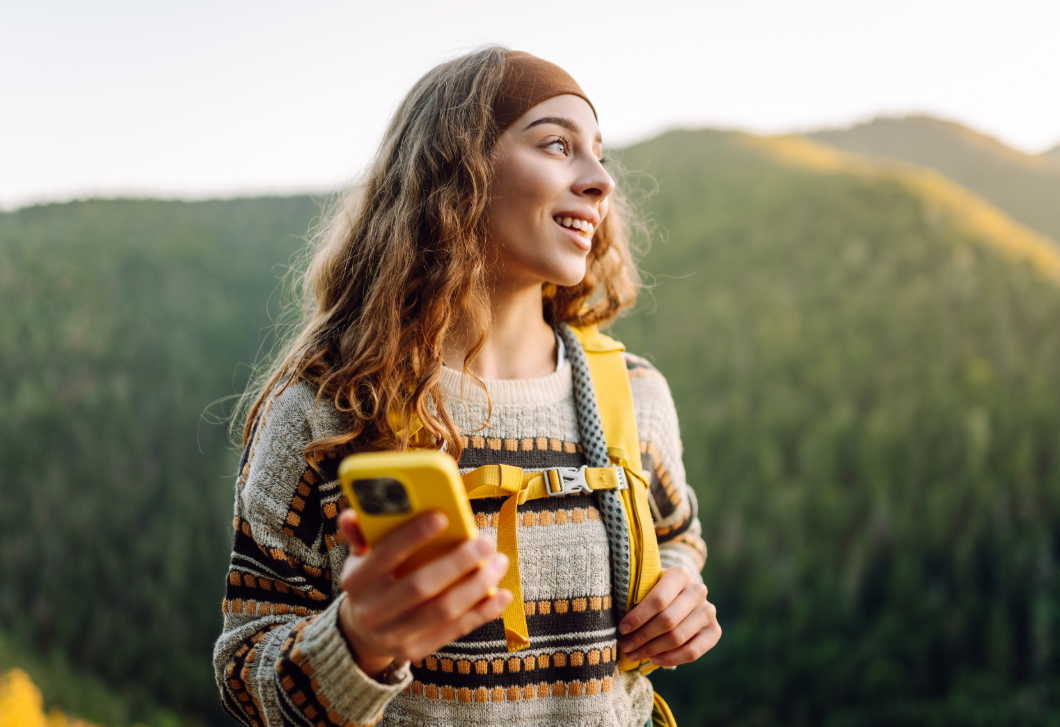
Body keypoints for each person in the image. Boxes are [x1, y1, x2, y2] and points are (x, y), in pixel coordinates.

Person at [213, 46, 720, 727]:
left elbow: (678, 537)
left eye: (598, 153)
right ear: (457, 172)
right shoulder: (323, 409)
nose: (600, 180)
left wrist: (682, 588)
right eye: (557, 145)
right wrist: (357, 644)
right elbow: (246, 670)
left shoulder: (634, 395)